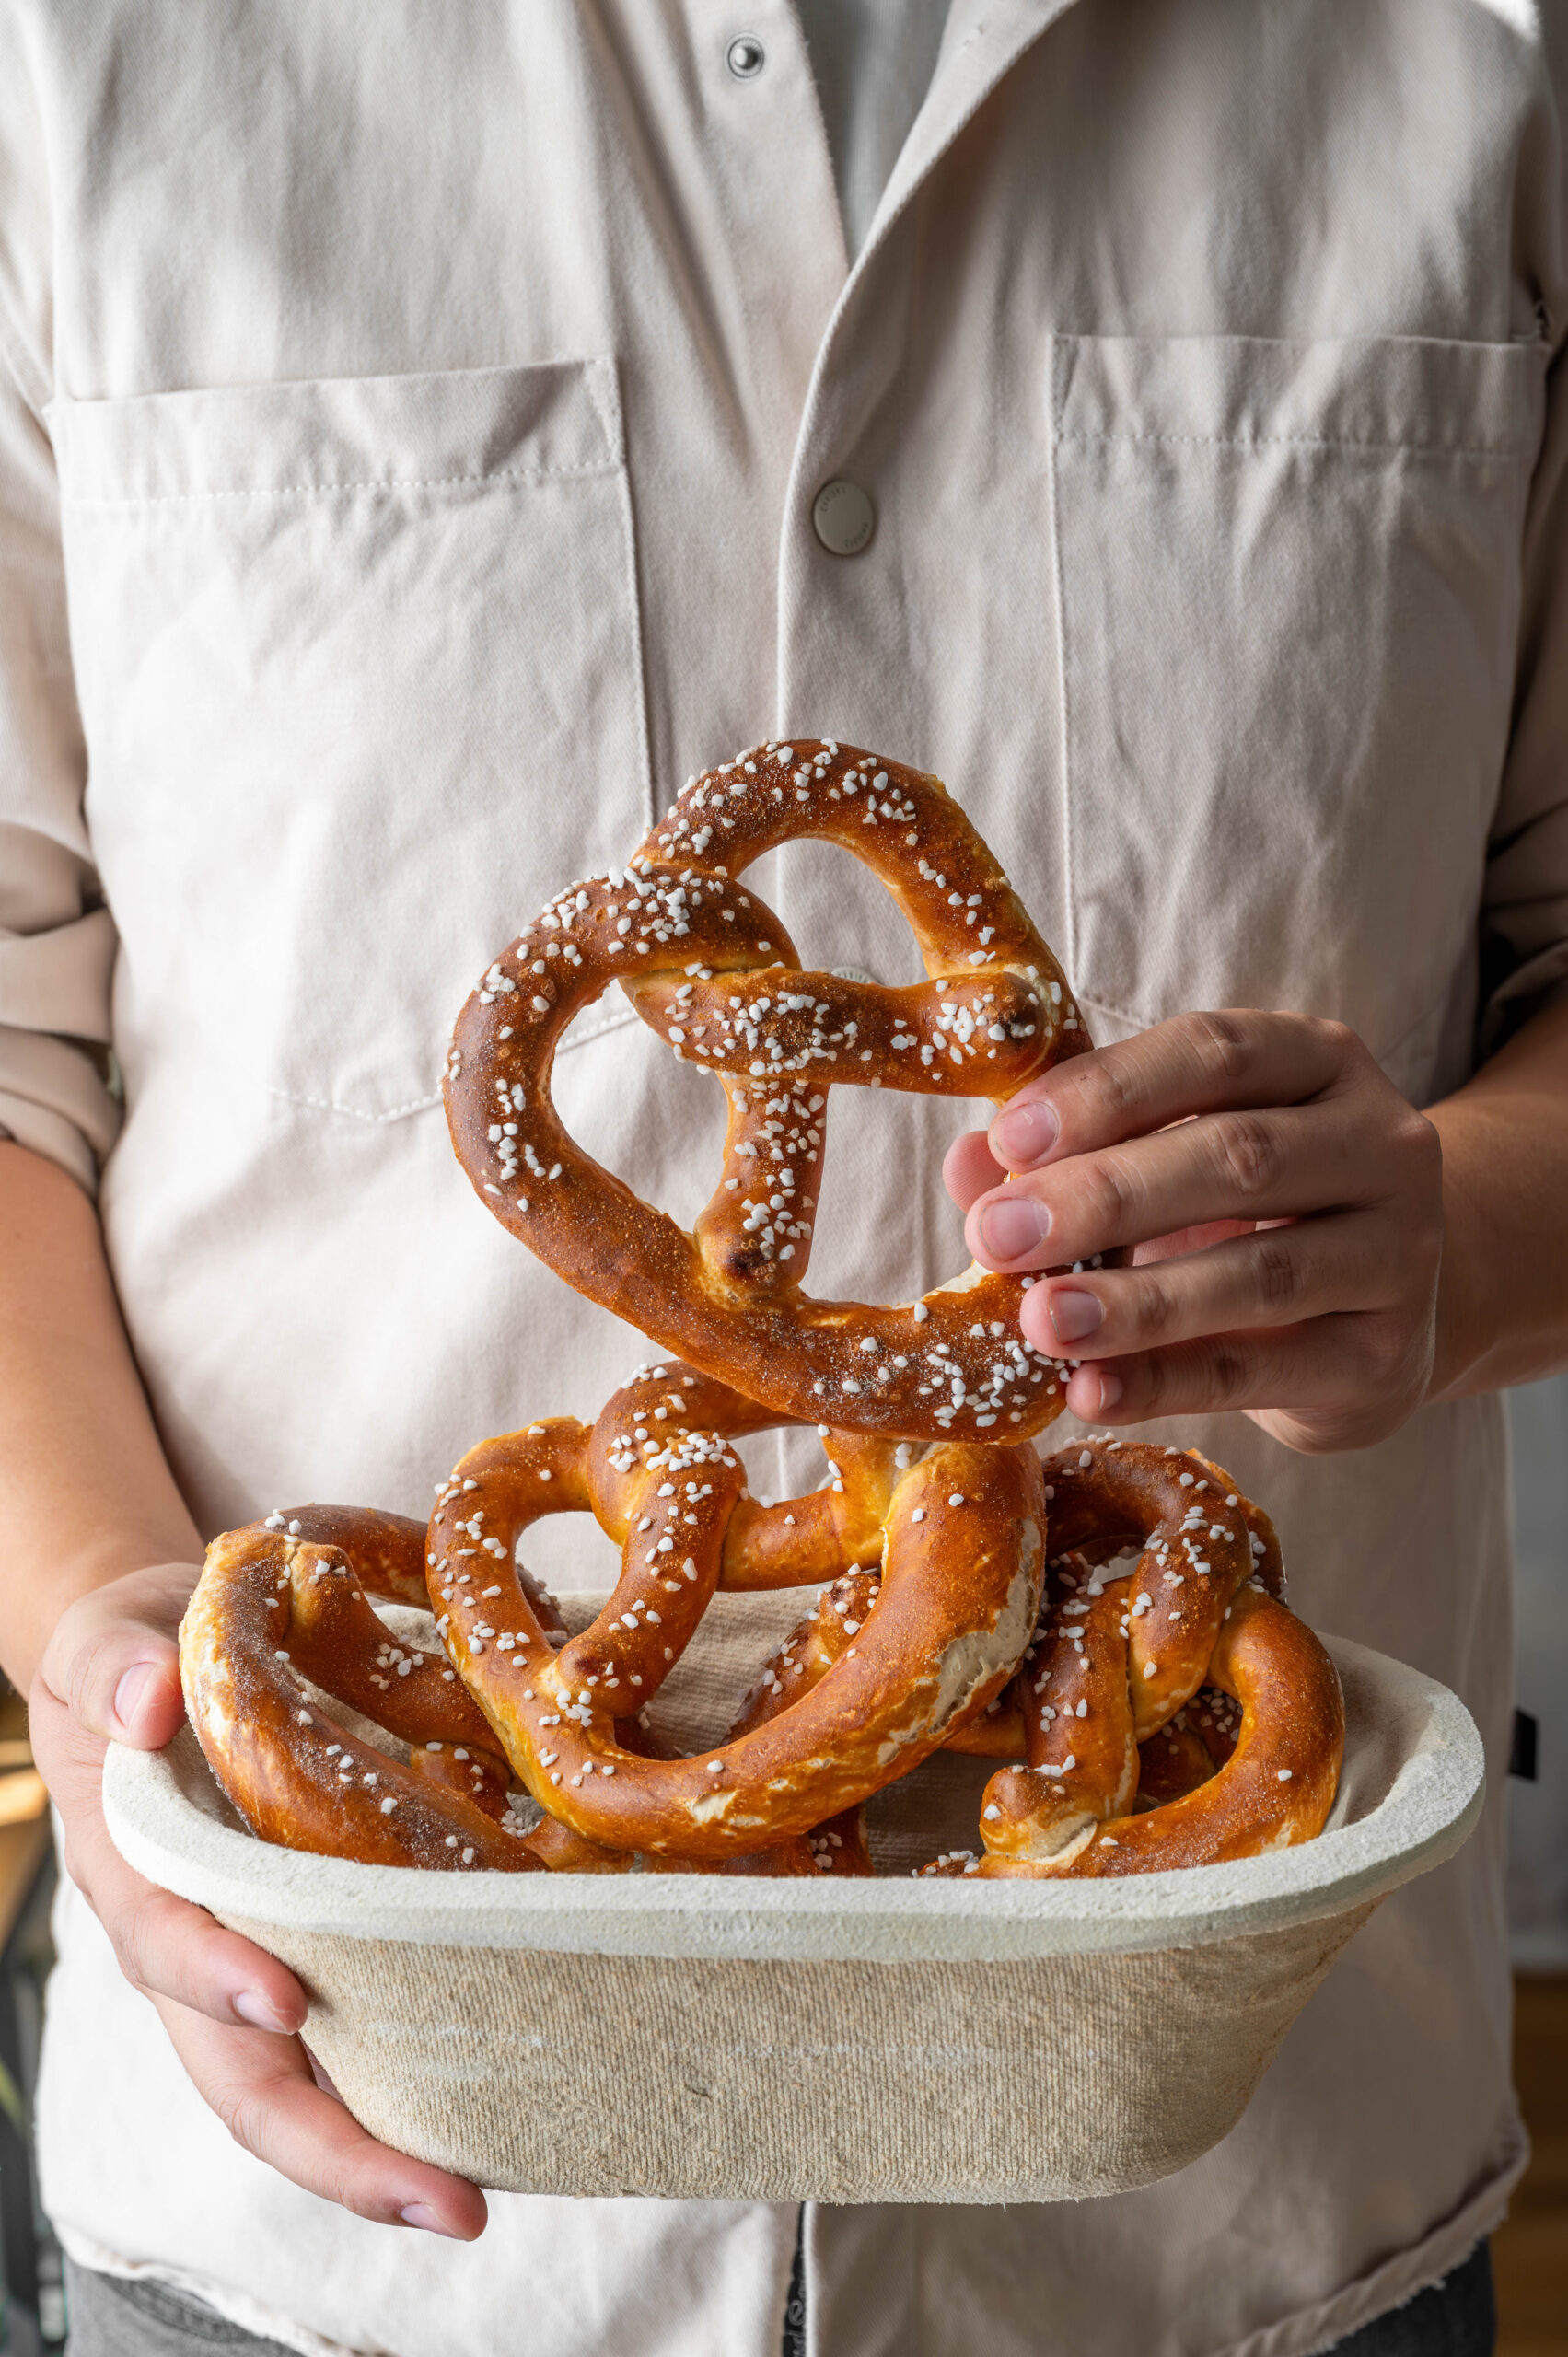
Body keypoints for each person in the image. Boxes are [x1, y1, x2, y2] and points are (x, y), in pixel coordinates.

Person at [3, 4, 1567, 2353]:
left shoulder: (1494, 45)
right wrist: (100, 1604)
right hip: (318, 2205)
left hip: (1252, 2209)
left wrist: (1456, 1240)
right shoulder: (69, 59)